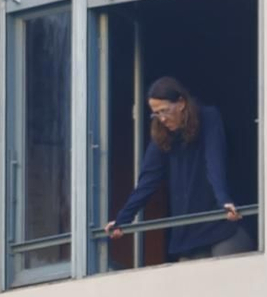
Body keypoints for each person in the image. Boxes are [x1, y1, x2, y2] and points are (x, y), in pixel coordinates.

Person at [107, 76, 250, 262]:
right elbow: (147, 182)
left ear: (181, 103)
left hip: (223, 226)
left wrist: (224, 200)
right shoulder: (161, 134)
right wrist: (122, 219)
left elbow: (214, 162)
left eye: (165, 110)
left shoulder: (207, 117)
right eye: (156, 113)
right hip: (189, 236)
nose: (162, 118)